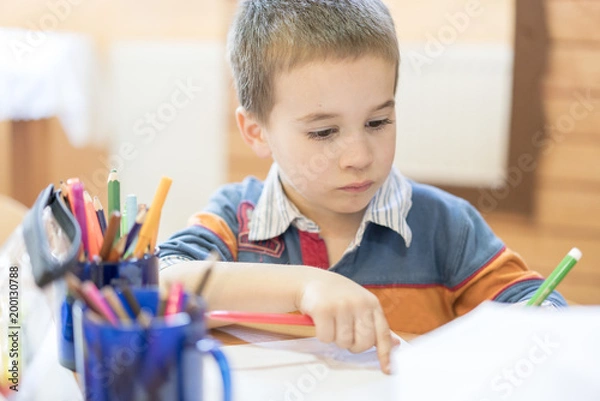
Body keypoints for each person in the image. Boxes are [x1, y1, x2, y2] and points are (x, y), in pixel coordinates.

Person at [158, 0, 566, 374]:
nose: (359, 156)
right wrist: (305, 287)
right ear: (256, 131)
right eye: (323, 132)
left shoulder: (445, 226)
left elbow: (537, 306)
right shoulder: (236, 218)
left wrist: (541, 327)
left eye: (377, 123)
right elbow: (158, 281)